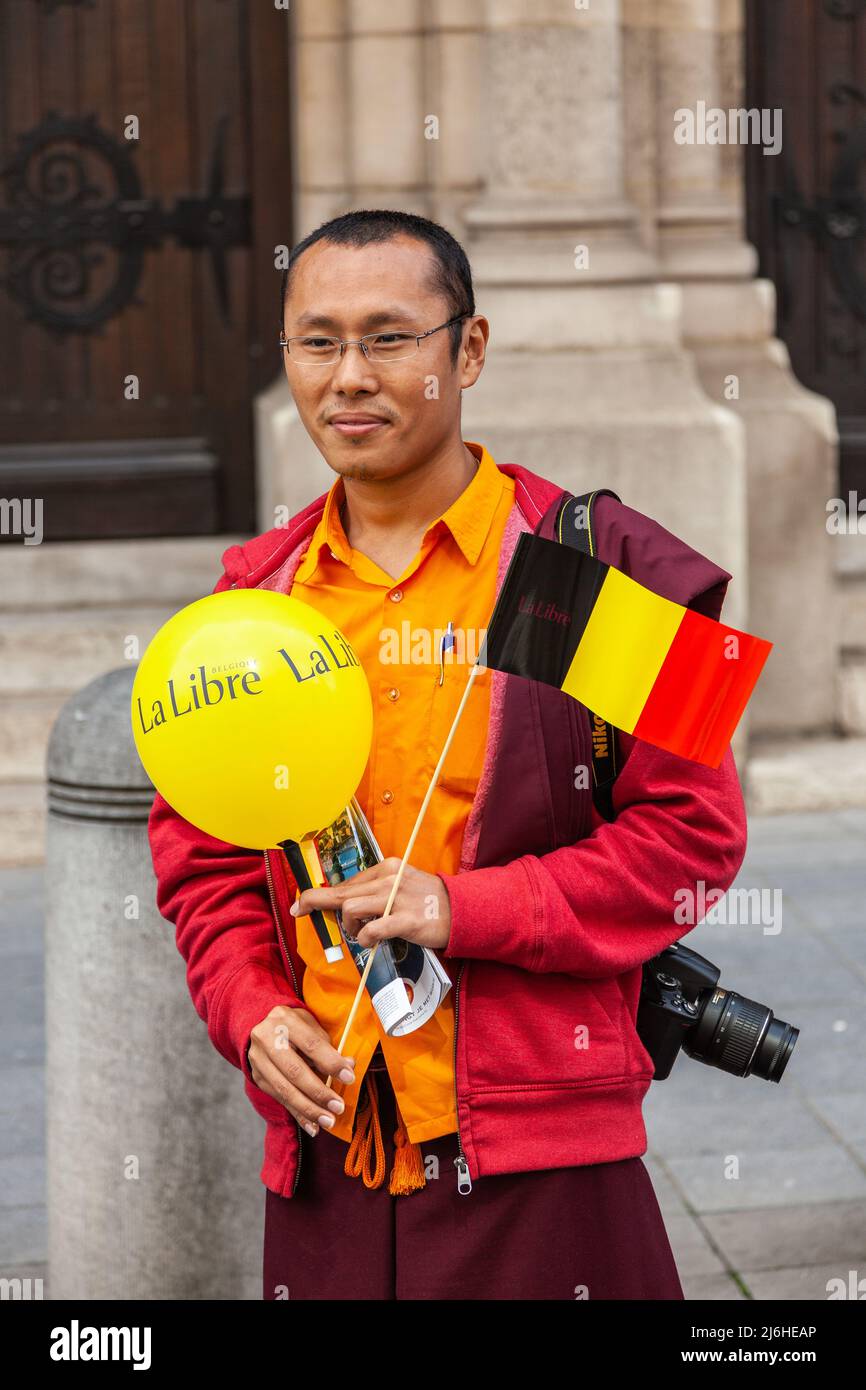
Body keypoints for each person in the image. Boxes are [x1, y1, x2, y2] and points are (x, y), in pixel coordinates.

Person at [148, 209, 748, 1301]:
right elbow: (206, 860)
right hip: (330, 1148)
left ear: (467, 350)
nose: (348, 377)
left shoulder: (570, 564)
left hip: (536, 1147)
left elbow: (695, 836)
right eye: (316, 341)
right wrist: (250, 1009)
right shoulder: (258, 600)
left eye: (389, 337)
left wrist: (459, 908)